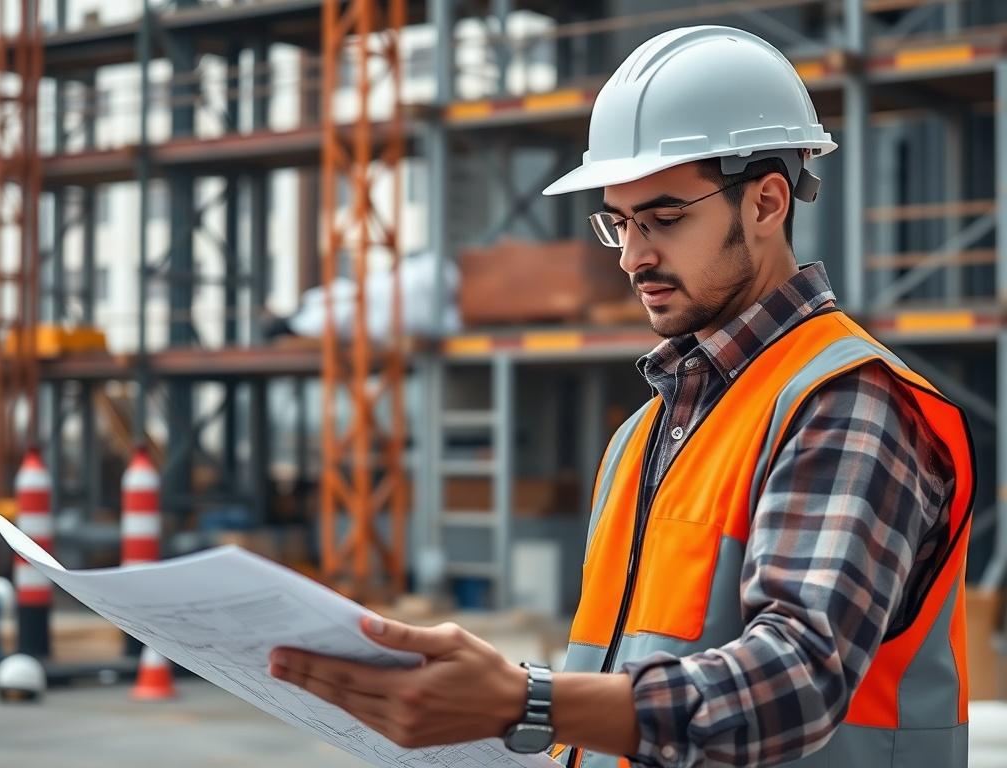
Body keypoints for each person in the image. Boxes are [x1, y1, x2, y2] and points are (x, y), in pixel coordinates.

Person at [268, 26, 974, 768]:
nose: (635, 256)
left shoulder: (845, 402)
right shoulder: (645, 432)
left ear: (767, 204)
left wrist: (527, 701)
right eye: (619, 223)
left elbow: (795, 682)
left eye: (665, 219)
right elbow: (622, 683)